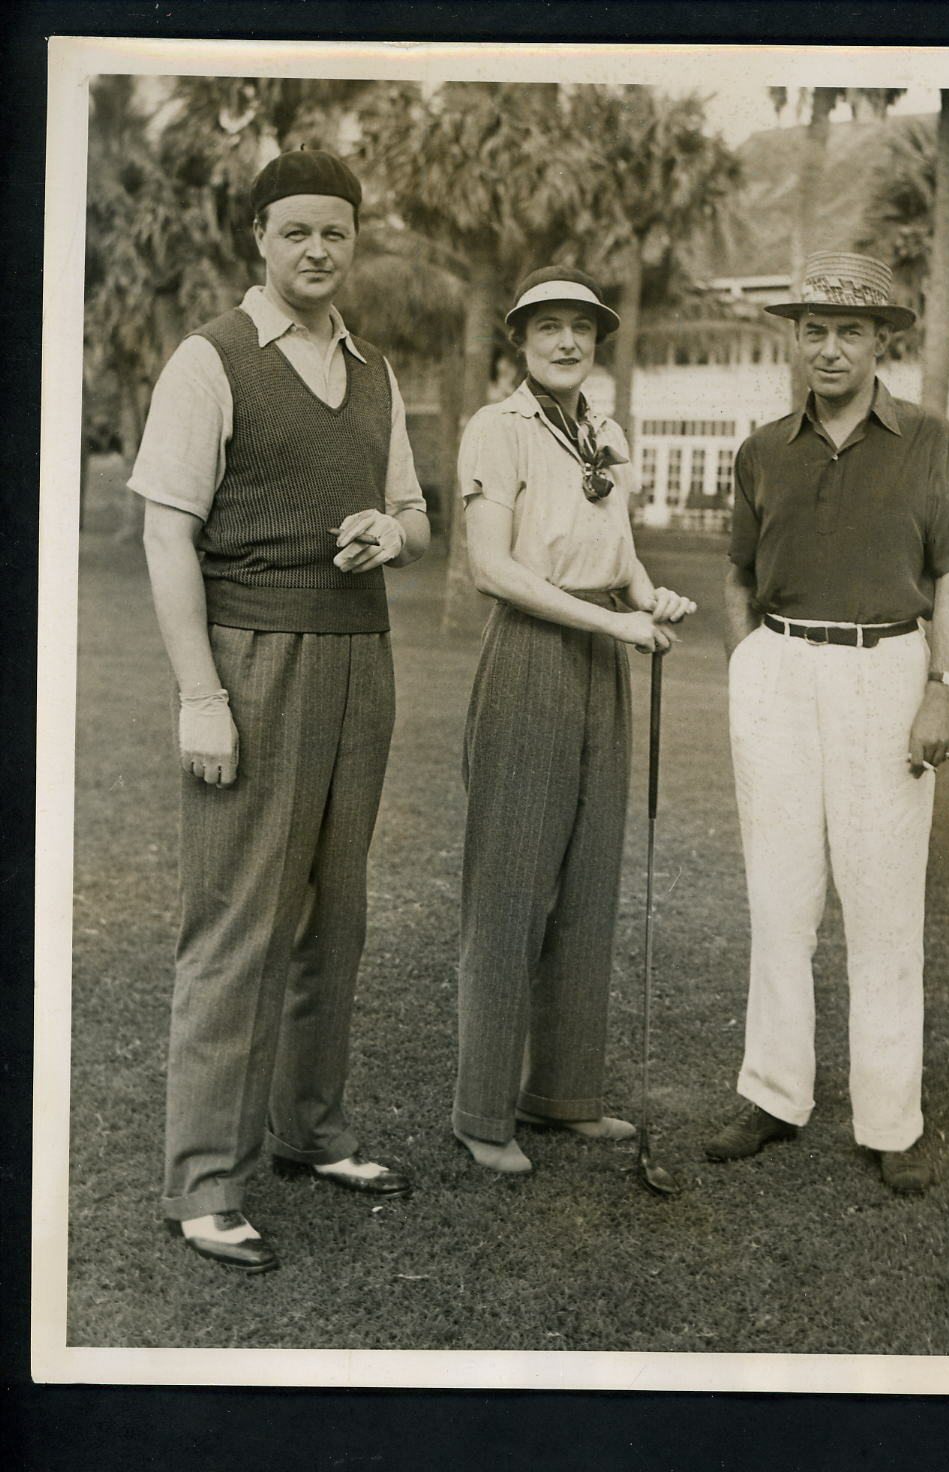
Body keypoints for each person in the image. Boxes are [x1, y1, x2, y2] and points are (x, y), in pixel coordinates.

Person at [131, 149, 430, 1271]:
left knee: (335, 914)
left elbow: (413, 509)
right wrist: (202, 695)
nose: (317, 250)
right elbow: (168, 532)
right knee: (236, 922)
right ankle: (204, 1181)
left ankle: (310, 1131)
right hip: (252, 656)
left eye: (336, 234)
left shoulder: (374, 368)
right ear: (259, 236)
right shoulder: (210, 359)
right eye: (296, 229)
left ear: (353, 244)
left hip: (362, 657)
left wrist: (390, 533)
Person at [704, 252, 949, 1192]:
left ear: (884, 343)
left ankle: (889, 1121)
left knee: (882, 909)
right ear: (795, 339)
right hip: (781, 668)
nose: (829, 349)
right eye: (814, 330)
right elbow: (738, 575)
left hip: (888, 672)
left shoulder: (929, 441)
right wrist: (752, 662)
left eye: (850, 331)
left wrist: (944, 686)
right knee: (779, 900)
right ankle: (774, 1095)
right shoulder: (763, 449)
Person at [452, 267, 696, 1174]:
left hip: (603, 651)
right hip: (530, 651)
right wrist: (613, 621)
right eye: (547, 328)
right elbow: (492, 567)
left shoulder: (601, 426)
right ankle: (484, 1113)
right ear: (519, 340)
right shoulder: (498, 427)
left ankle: (563, 1096)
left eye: (581, 330)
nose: (565, 343)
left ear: (598, 341)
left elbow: (617, 539)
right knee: (511, 886)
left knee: (590, 877)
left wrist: (648, 594)